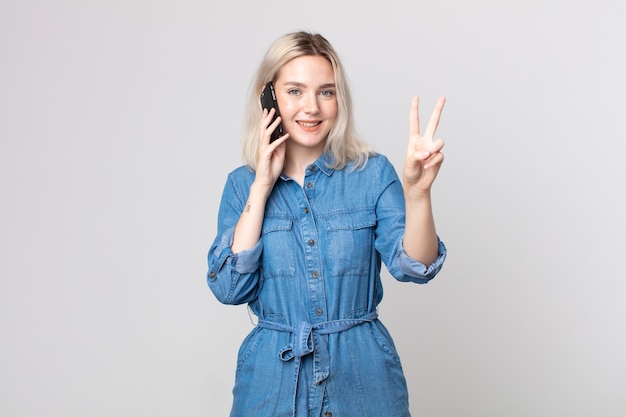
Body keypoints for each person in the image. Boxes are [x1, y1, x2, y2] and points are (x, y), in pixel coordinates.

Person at [207, 31, 447, 417]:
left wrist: (418, 193)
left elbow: (414, 267)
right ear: (268, 97)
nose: (312, 107)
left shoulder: (372, 174)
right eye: (295, 91)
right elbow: (230, 287)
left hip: (363, 378)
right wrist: (263, 184)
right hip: (271, 383)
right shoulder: (242, 186)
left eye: (326, 92)